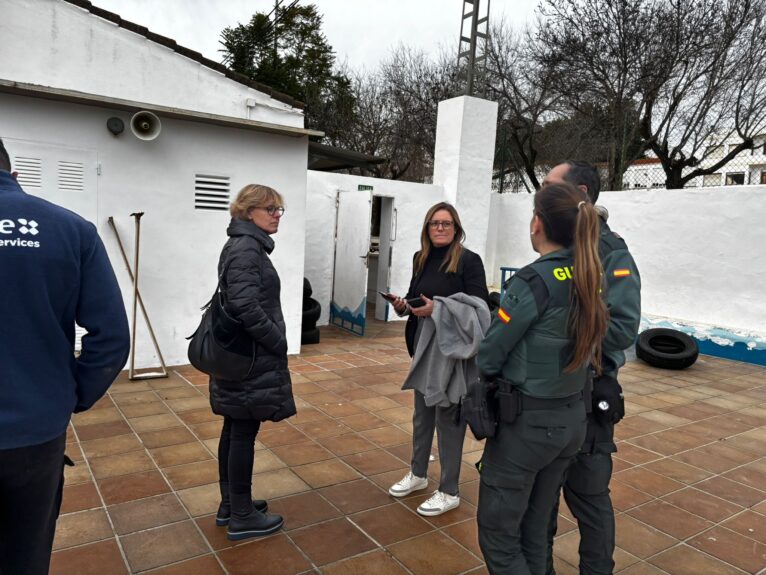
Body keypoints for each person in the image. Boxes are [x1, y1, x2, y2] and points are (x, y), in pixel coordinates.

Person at [0, 137, 130, 575]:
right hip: (34, 434)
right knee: (25, 555)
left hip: (36, 424)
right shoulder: (70, 229)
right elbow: (111, 337)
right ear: (13, 174)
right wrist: (70, 395)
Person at [476, 182, 608, 574]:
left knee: (500, 535)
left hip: (528, 427)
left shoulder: (533, 280)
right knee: (534, 528)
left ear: (538, 224)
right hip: (570, 421)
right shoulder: (589, 274)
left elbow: (490, 352)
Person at [543, 161, 641, 575]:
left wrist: (552, 338)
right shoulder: (556, 243)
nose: (541, 194)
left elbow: (621, 329)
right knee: (541, 499)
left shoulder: (611, 251)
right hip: (545, 396)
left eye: (551, 186)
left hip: (588, 395)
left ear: (581, 191)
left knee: (588, 497)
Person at [387, 202, 489, 516]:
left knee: (448, 421)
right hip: (422, 348)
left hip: (451, 353)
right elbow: (417, 295)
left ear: (456, 228)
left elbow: (480, 308)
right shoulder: (422, 258)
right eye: (434, 223)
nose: (440, 228)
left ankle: (449, 490)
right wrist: (405, 306)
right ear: (427, 228)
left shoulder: (469, 261)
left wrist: (438, 309)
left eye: (445, 223)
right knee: (422, 417)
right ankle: (418, 475)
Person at [209, 184, 296, 541]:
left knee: (235, 428)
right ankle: (242, 515)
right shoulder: (247, 248)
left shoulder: (243, 244)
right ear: (248, 212)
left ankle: (232, 503)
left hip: (241, 357)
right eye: (270, 209)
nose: (277, 215)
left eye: (279, 209)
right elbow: (246, 306)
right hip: (251, 358)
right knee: (243, 431)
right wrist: (277, 341)